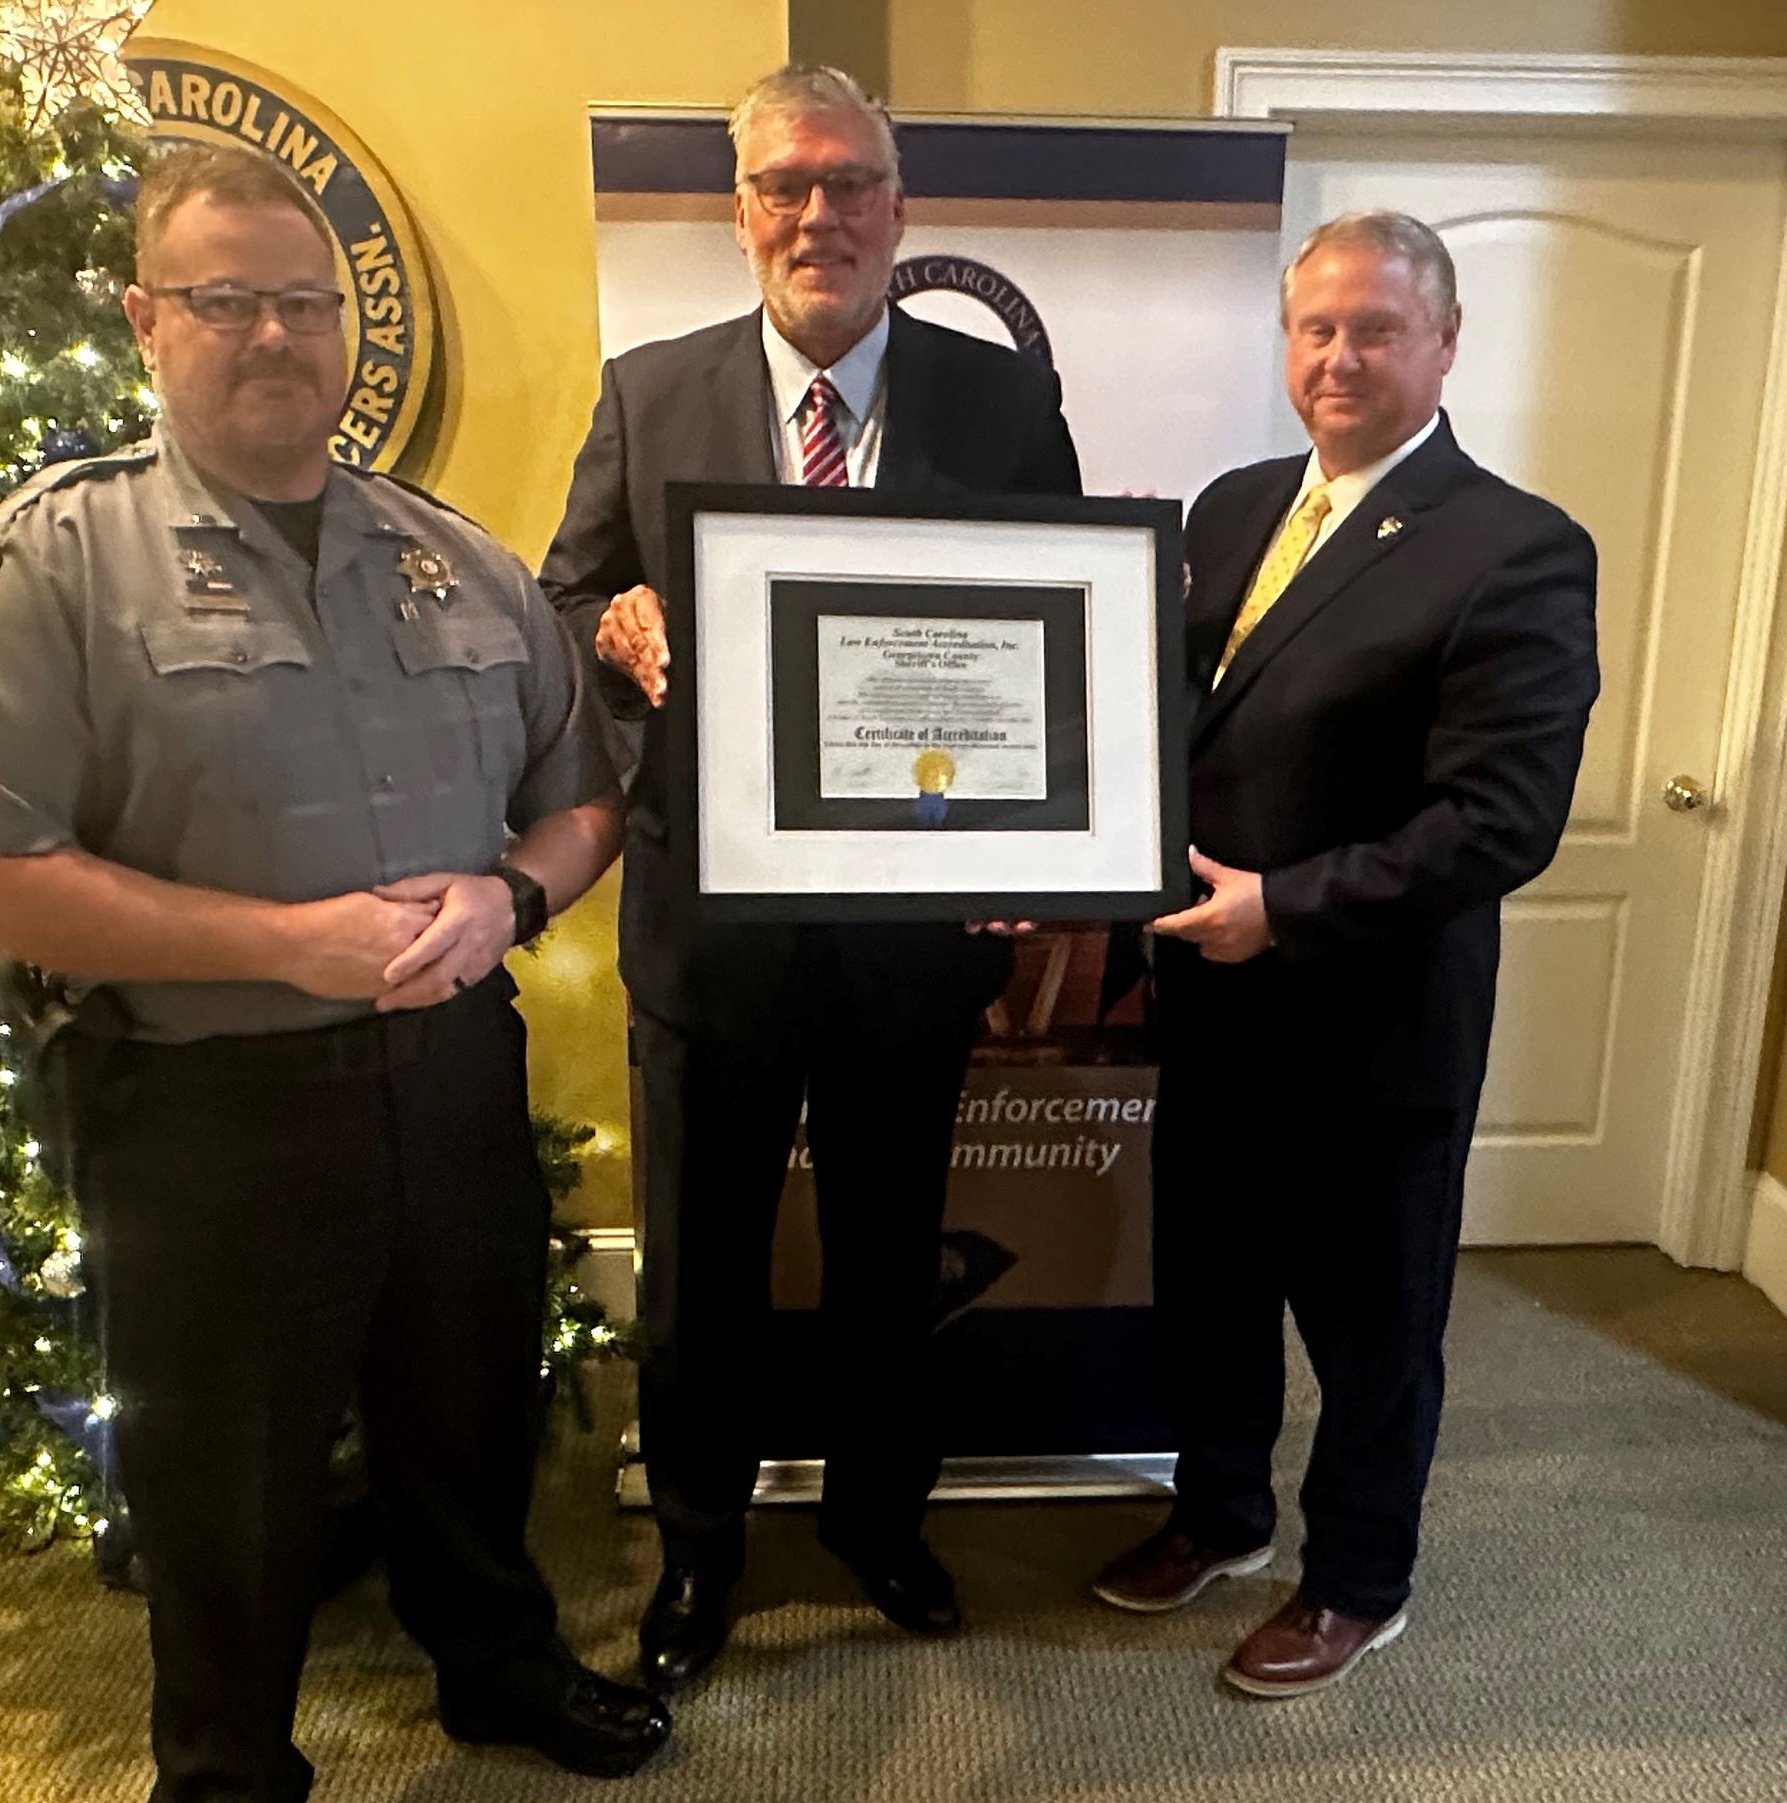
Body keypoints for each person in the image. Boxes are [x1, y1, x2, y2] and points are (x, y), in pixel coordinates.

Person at [0, 143, 669, 1803]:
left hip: (451, 1081)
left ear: (341, 327)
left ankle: (494, 1666)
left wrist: (513, 893)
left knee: (468, 1402)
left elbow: (584, 793)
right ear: (146, 323)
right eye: (223, 298)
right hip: (208, 1114)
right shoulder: (62, 556)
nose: (271, 336)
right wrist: (281, 941)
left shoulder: (452, 552)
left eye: (301, 301)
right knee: (223, 1496)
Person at [540, 64, 1081, 1693]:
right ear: (740, 210)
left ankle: (878, 1522)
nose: (819, 213)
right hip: (705, 930)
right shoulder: (651, 390)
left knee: (886, 1249)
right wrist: (612, 632)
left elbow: (1058, 629)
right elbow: (564, 600)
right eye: (786, 184)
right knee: (699, 1267)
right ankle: (700, 1548)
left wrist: (1037, 848)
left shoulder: (998, 404)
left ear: (898, 212)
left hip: (912, 935)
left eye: (850, 182)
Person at [1091, 210, 1599, 1696]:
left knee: (1376, 1322)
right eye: (1316, 328)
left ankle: (1360, 1577)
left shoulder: (1515, 545)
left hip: (1374, 1018)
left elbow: (1502, 822)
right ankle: (1222, 1514)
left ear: (1444, 344)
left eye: (1376, 329)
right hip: (1213, 1000)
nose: (1339, 356)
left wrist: (1287, 906)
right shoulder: (1235, 509)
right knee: (1216, 1283)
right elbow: (1173, 727)